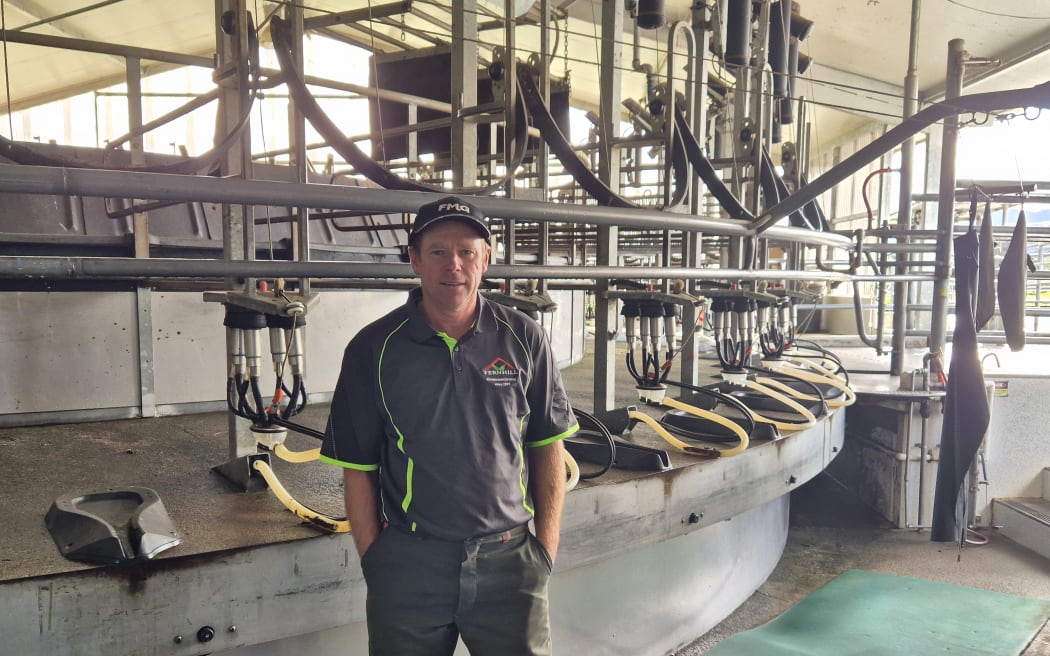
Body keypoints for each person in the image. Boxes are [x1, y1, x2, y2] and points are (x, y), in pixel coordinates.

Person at [320, 195, 579, 656]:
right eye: (438, 251)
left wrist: (544, 550)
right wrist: (375, 559)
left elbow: (547, 445)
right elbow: (358, 465)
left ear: (487, 257)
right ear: (415, 260)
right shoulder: (373, 349)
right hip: (409, 566)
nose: (453, 265)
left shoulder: (525, 337)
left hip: (511, 562)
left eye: (466, 251)